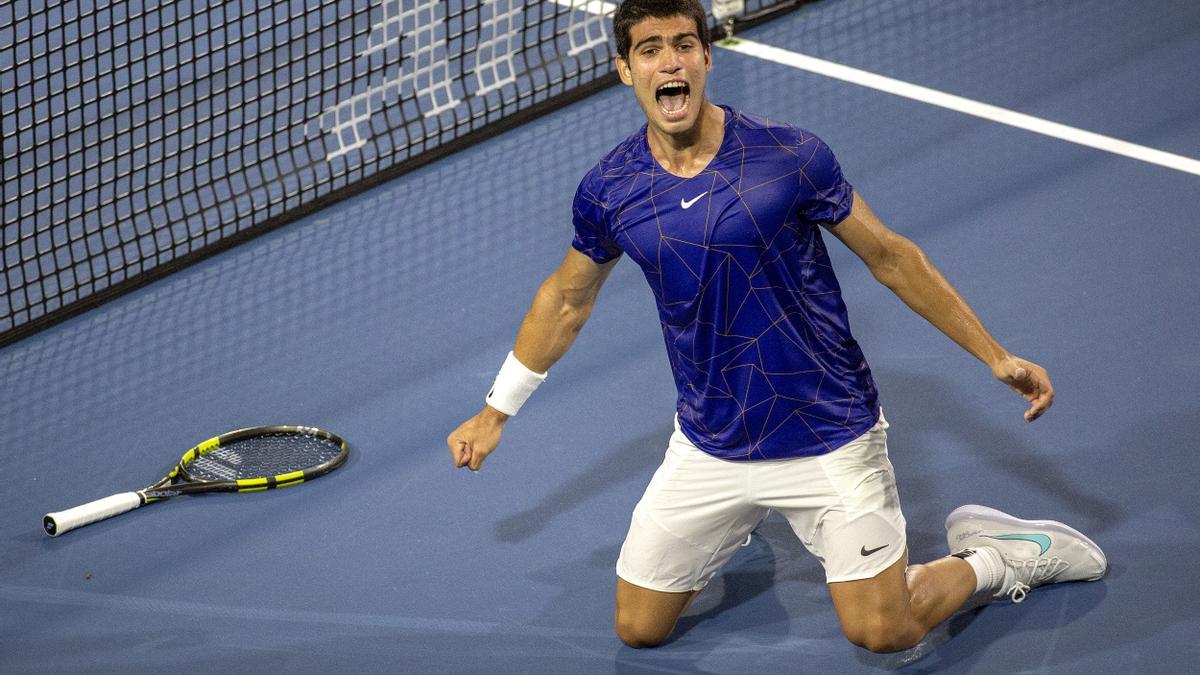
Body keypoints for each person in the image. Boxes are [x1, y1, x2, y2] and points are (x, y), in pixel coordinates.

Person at [447, 0, 1107, 653]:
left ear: (707, 57)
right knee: (638, 627)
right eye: (650, 49)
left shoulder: (787, 155)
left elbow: (890, 256)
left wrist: (993, 355)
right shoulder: (610, 189)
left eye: (683, 44)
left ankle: (998, 557)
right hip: (713, 442)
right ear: (625, 70)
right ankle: (735, 518)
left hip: (828, 435)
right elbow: (565, 299)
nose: (669, 61)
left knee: (886, 631)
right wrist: (496, 410)